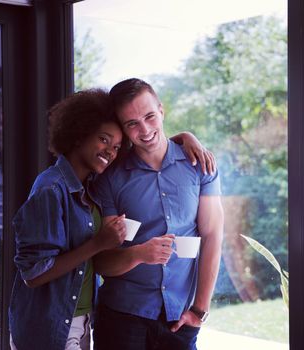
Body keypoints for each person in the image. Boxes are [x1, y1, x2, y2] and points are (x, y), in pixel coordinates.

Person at [9, 88, 214, 350]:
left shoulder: (89, 185)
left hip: (80, 317)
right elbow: (33, 274)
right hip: (51, 322)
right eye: (103, 140)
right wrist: (100, 244)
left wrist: (184, 138)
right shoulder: (51, 188)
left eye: (116, 146)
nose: (110, 151)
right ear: (78, 134)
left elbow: (151, 146)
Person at [92, 78, 224, 350]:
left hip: (180, 319)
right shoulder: (110, 180)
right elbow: (102, 262)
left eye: (150, 116)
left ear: (161, 111)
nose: (145, 129)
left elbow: (212, 236)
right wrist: (138, 254)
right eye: (132, 124)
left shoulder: (200, 165)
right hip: (121, 317)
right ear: (123, 129)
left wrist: (200, 310)